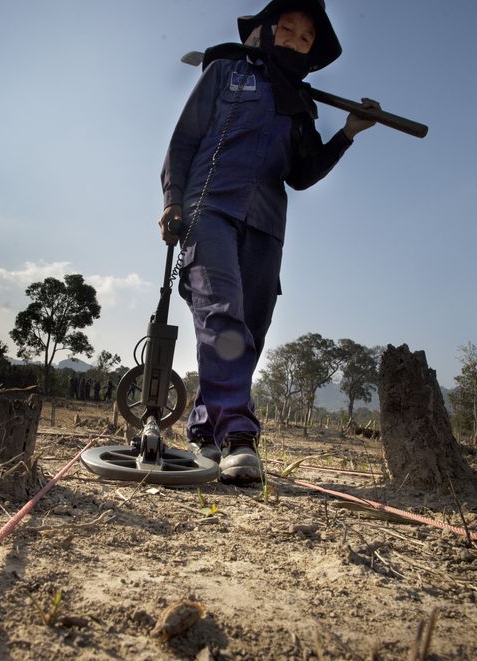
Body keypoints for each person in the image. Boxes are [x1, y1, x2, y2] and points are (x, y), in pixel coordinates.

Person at [159, 0, 379, 483]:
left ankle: (206, 430)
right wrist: (174, 200)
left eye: (306, 38)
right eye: (288, 28)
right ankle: (239, 434)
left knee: (250, 327)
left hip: (266, 223)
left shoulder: (302, 105)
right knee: (223, 314)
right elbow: (184, 138)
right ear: (265, 30)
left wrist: (347, 133)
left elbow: (301, 175)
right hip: (209, 205)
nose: (295, 40)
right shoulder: (225, 72)